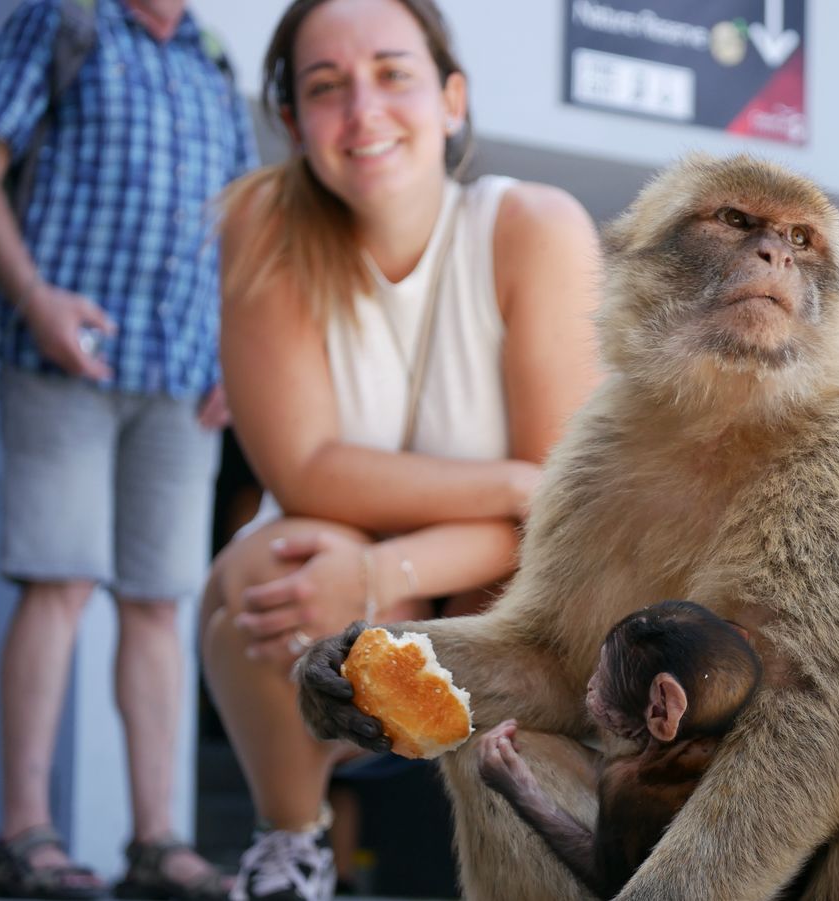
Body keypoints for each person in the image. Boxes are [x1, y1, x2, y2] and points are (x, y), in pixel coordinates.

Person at [197, 1, 602, 900]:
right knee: (269, 569)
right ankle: (292, 842)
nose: (363, 111)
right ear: (295, 123)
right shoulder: (263, 223)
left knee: (543, 587)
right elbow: (304, 471)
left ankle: (542, 854)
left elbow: (563, 518)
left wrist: (390, 568)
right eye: (325, 87)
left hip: (501, 587)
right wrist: (502, 481)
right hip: (323, 598)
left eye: (393, 74)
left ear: (452, 99)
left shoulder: (535, 227)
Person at [0, 1, 259, 898]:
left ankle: (156, 839)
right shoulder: (63, 22)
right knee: (59, 582)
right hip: (65, 359)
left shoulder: (210, 59)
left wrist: (238, 354)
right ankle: (24, 832)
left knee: (158, 603)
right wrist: (35, 299)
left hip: (181, 377)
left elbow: (240, 229)